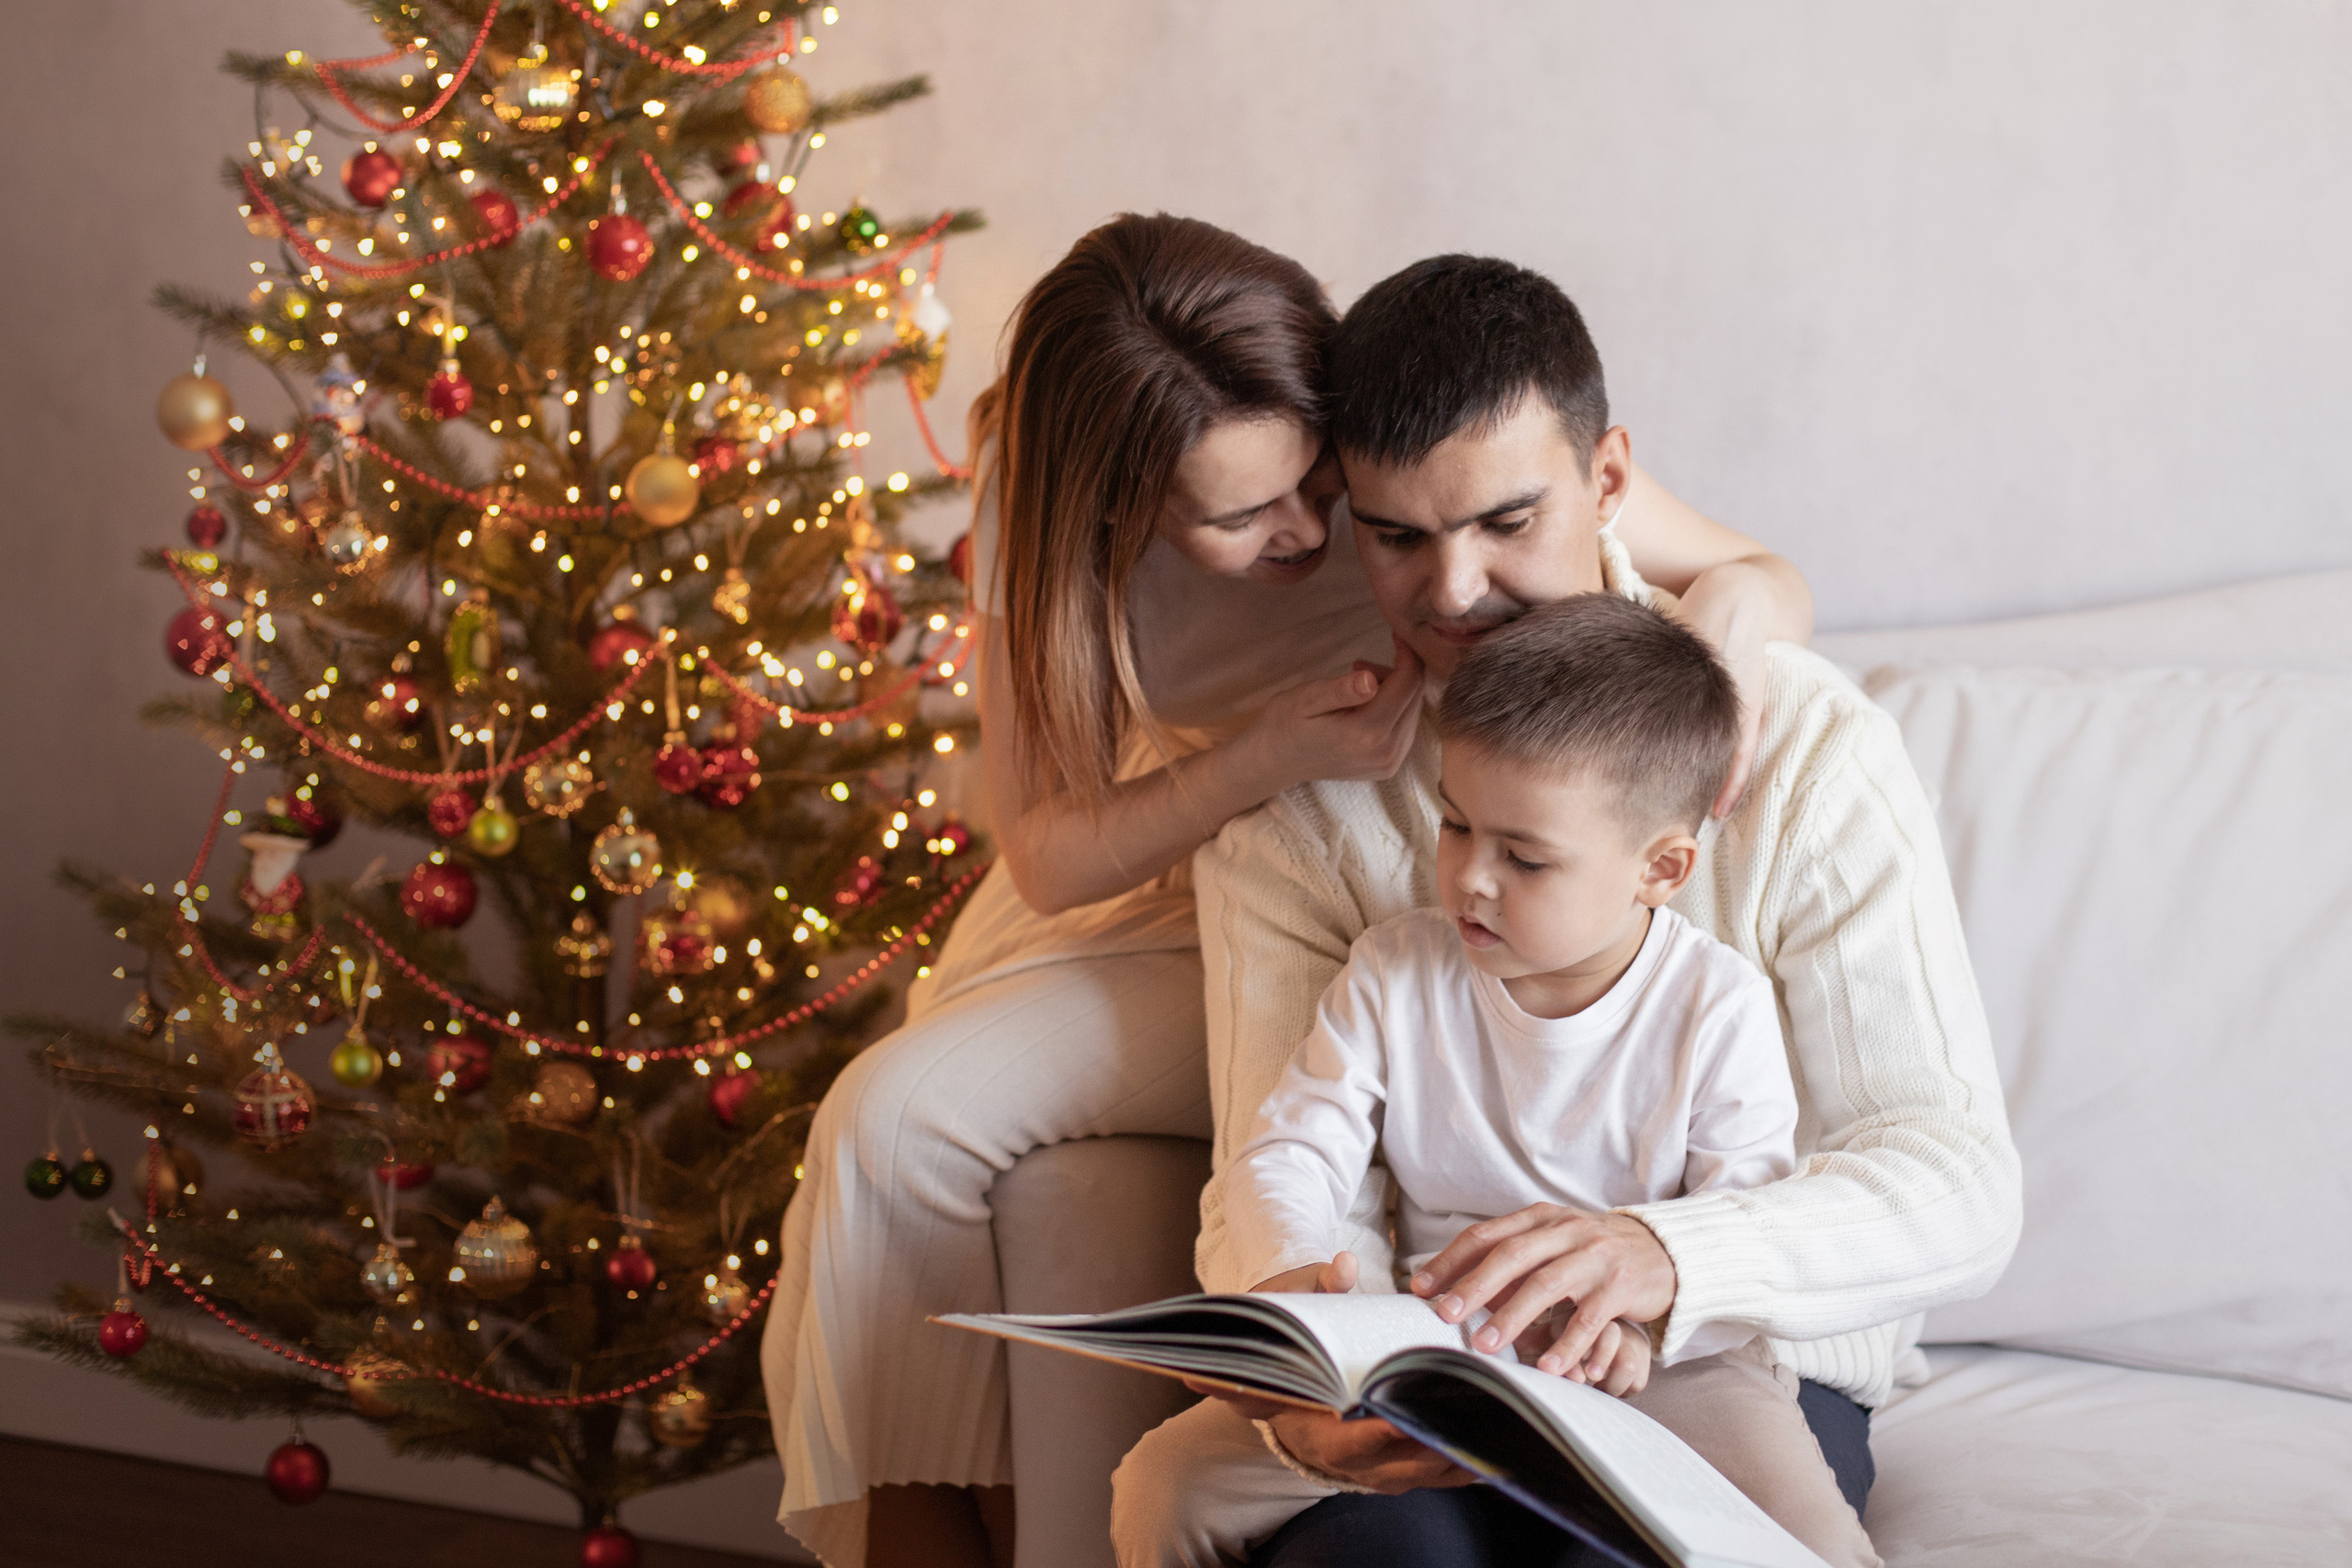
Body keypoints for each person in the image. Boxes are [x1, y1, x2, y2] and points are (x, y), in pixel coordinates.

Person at [760, 216, 1821, 1568]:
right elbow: (1051, 855)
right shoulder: (1038, 507)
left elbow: (1753, 570)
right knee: (889, 1126)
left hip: (1345, 876)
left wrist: (1719, 651)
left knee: (893, 1115)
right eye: (1244, 514)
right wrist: (1269, 754)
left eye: (1318, 486)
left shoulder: (1395, 461)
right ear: (1125, 496)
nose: (1310, 529)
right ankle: (912, 1529)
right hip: (1155, 884)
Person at [1172, 254, 2021, 1568]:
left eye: (1507, 520)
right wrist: (1311, 1356)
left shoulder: (1804, 749)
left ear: (1610, 479)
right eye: (1397, 535)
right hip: (1430, 1382)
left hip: (1738, 1369)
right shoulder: (1301, 815)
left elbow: (1956, 1179)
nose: (1452, 591)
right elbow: (1278, 1170)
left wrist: (1661, 1256)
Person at [1113, 595, 1879, 1568]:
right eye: (1457, 826)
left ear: (1662, 868)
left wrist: (1645, 1333)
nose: (1472, 877)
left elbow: (1743, 1214)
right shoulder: (1394, 973)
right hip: (1441, 1355)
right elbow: (1294, 1148)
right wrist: (1286, 1274)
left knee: (1804, 1539)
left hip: (1657, 1363)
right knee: (1159, 1481)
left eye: (1523, 857)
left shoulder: (1714, 1005)